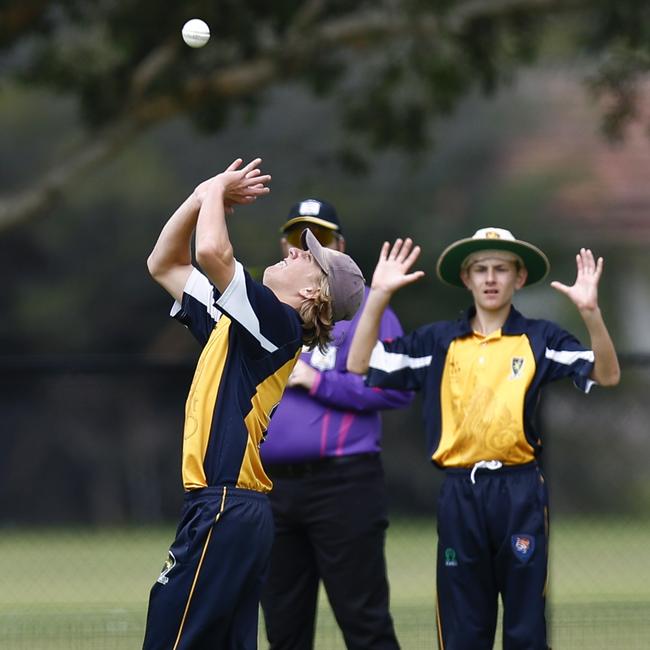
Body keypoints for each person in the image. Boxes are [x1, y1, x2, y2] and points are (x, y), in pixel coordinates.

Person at [347, 227, 620, 650]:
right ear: (466, 278)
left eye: (501, 269)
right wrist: (378, 295)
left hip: (520, 492)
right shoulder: (438, 341)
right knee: (463, 629)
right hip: (461, 494)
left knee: (526, 628)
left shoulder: (540, 338)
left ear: (519, 277)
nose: (491, 278)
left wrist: (590, 313)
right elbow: (359, 363)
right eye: (480, 269)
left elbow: (607, 374)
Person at [142, 159, 365, 650]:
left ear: (312, 294)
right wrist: (201, 196)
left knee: (169, 637)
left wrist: (217, 190)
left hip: (223, 505)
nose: (291, 251)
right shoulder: (241, 323)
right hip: (231, 509)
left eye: (307, 258)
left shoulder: (278, 324)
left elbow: (210, 250)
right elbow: (165, 264)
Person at [259, 198, 414, 650]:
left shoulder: (366, 307)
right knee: (283, 627)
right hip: (270, 488)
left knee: (362, 619)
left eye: (320, 238)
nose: (305, 247)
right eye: (296, 237)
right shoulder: (266, 311)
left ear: (340, 247)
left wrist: (319, 382)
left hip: (343, 483)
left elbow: (397, 388)